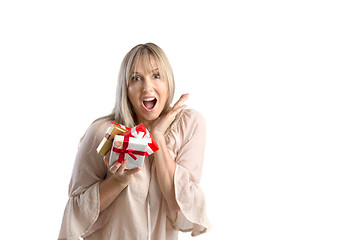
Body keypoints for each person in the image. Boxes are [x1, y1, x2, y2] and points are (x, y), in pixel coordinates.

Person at [58, 43, 210, 240]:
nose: (147, 87)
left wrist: (158, 137)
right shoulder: (102, 133)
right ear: (126, 88)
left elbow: (178, 203)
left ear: (168, 81)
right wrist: (118, 180)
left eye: (156, 75)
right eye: (136, 78)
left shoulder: (189, 125)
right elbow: (76, 211)